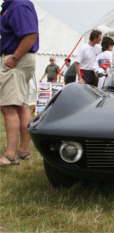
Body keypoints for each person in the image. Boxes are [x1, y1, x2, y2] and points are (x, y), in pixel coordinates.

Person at [0, 0, 39, 166]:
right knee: (21, 105)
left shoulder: (18, 5)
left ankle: (10, 155)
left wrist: (14, 58)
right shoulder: (12, 6)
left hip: (16, 59)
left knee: (8, 106)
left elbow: (30, 35)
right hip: (19, 59)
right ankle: (23, 151)